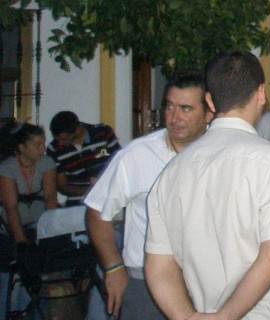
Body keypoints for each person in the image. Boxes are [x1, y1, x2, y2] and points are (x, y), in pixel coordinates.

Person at [145, 49, 270, 319]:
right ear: (260, 94)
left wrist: (187, 317)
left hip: (202, 308)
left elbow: (159, 267)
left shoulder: (172, 170)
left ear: (209, 101)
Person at [84, 73, 212, 319]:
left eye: (185, 108)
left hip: (206, 283)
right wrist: (113, 268)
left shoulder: (222, 154)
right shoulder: (137, 155)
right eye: (169, 107)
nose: (174, 117)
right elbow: (98, 211)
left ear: (209, 113)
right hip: (146, 285)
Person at [0, 123, 58, 245]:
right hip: (10, 228)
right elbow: (11, 206)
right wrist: (21, 240)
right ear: (22, 148)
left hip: (39, 225)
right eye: (37, 145)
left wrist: (50, 231)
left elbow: (50, 197)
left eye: (43, 143)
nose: (42, 148)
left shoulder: (47, 163)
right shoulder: (6, 168)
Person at [47, 111, 120, 205]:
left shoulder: (103, 133)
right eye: (57, 139)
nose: (60, 143)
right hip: (75, 204)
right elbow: (62, 185)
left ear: (77, 130)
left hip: (106, 200)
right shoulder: (54, 148)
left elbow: (120, 166)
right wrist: (89, 191)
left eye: (63, 139)